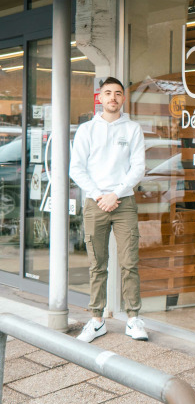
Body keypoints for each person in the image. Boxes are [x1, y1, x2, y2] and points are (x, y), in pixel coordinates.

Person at [70, 77, 148, 342]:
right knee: (97, 265)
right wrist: (99, 195)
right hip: (95, 203)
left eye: (117, 93)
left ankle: (133, 319)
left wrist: (115, 194)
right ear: (100, 98)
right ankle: (96, 320)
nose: (113, 97)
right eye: (108, 93)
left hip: (123, 202)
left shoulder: (133, 129)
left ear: (123, 98)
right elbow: (77, 169)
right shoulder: (86, 130)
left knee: (129, 263)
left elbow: (138, 167)